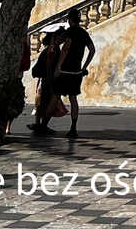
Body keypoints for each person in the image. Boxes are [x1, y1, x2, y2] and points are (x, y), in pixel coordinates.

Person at [55, 9, 95, 138]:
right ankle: (73, 127)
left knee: (55, 95)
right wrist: (84, 67)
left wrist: (58, 66)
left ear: (69, 19)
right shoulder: (83, 33)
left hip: (65, 69)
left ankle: (43, 123)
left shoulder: (69, 32)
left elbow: (62, 46)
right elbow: (92, 50)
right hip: (77, 70)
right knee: (73, 99)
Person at [29, 31, 65, 134]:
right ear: (54, 37)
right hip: (49, 80)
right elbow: (49, 66)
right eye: (60, 36)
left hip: (46, 79)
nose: (62, 39)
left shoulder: (51, 49)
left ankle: (40, 125)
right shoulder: (53, 50)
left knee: (45, 103)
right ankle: (42, 125)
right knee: (49, 103)